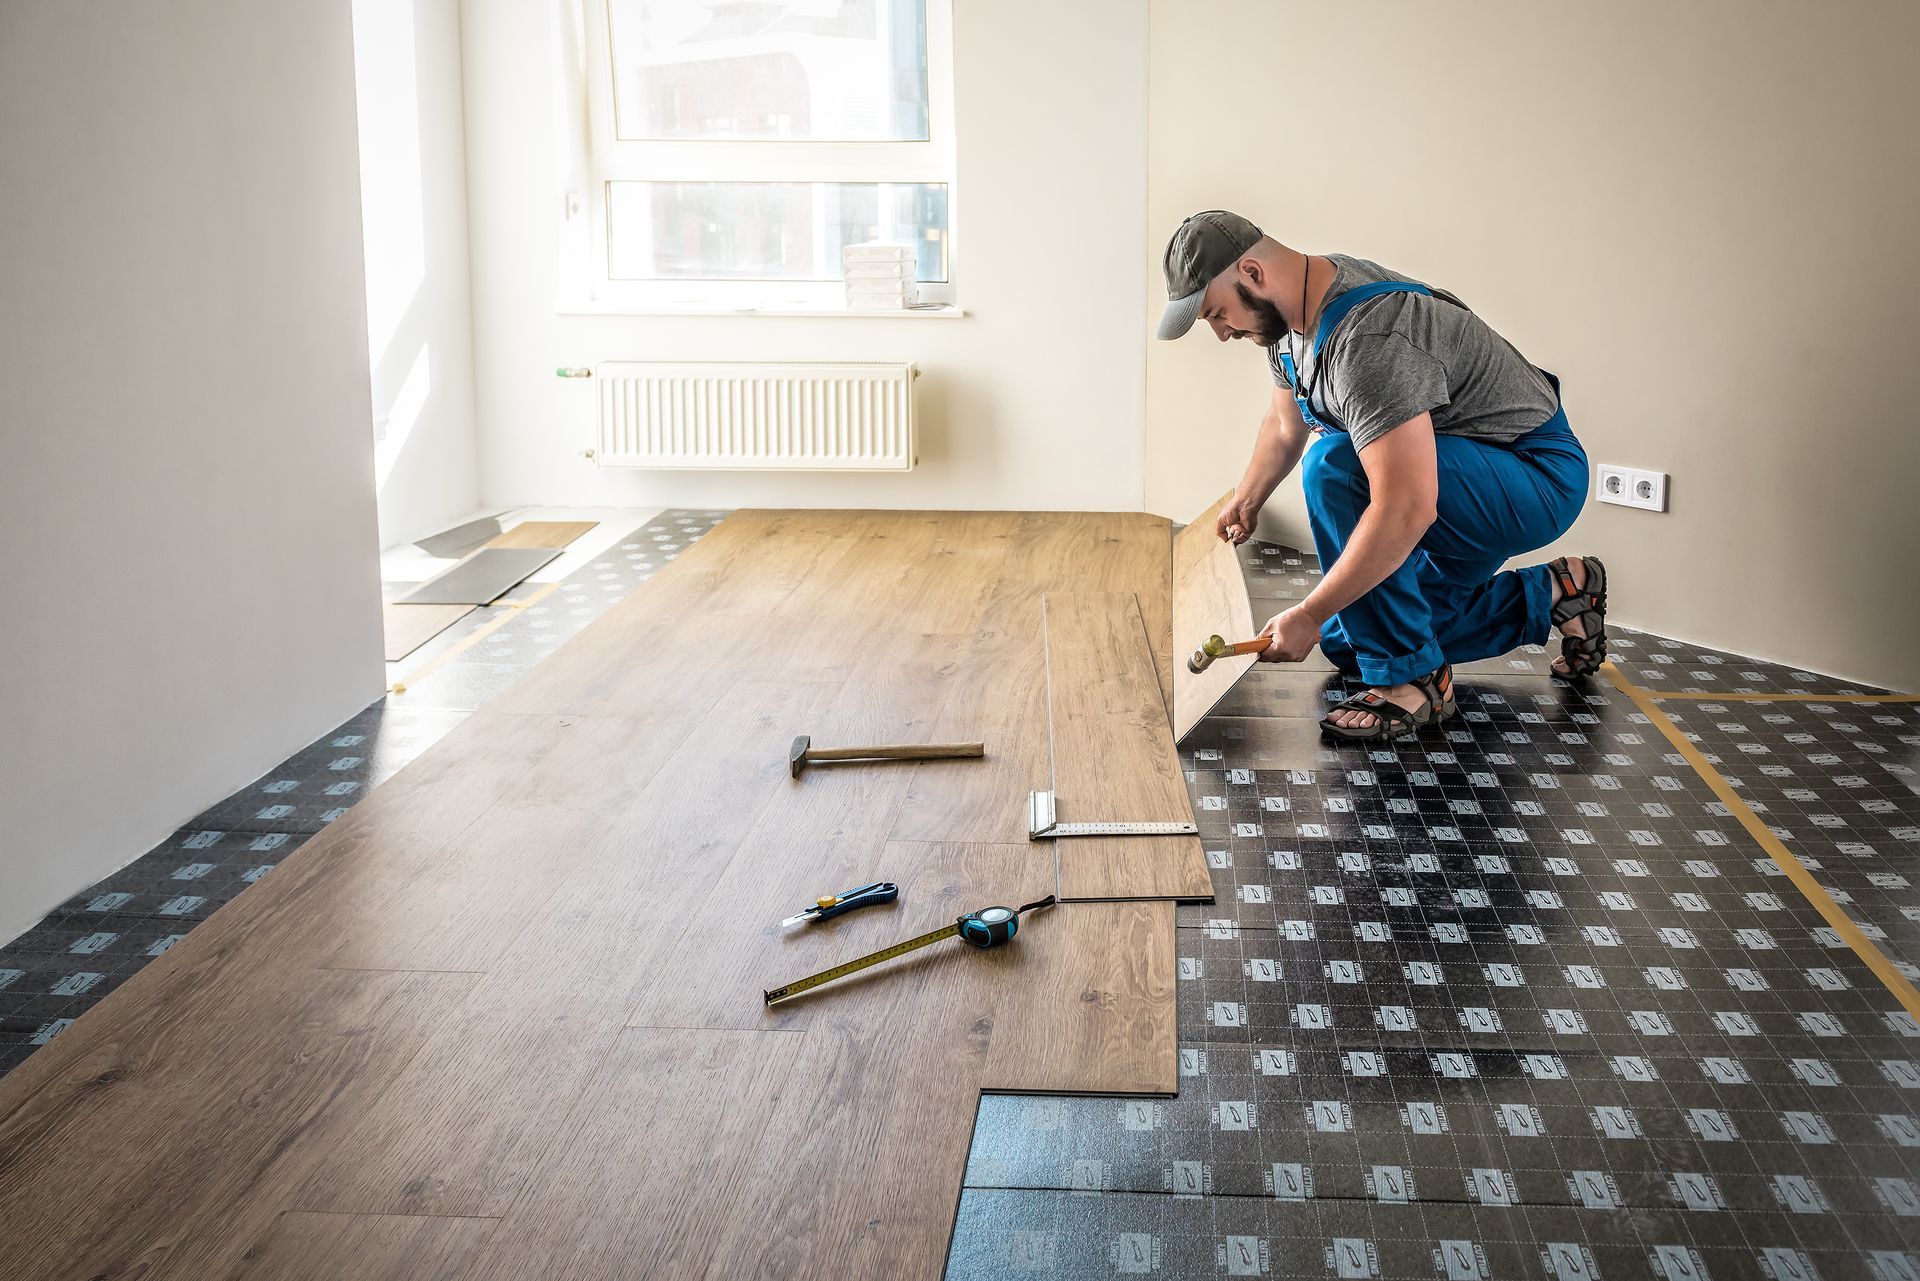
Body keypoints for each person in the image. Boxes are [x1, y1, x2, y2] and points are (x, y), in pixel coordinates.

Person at [1157, 210, 1607, 741]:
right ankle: (1558, 591)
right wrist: (1248, 499)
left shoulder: (1369, 338)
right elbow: (1285, 425)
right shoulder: (1289, 321)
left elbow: (1405, 505)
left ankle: (1414, 682)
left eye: (1216, 314)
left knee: (1334, 468)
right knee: (1349, 643)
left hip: (1530, 478)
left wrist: (1307, 610)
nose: (1222, 333)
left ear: (1252, 273)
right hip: (1457, 477)